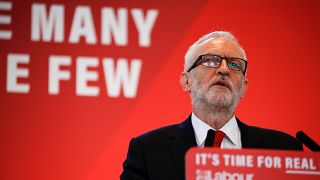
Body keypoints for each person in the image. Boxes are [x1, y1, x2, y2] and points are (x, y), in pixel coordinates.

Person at [120, 31, 303, 180]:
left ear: (244, 88)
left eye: (234, 64)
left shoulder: (284, 150)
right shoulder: (148, 150)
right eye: (209, 61)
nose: (224, 70)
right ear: (186, 82)